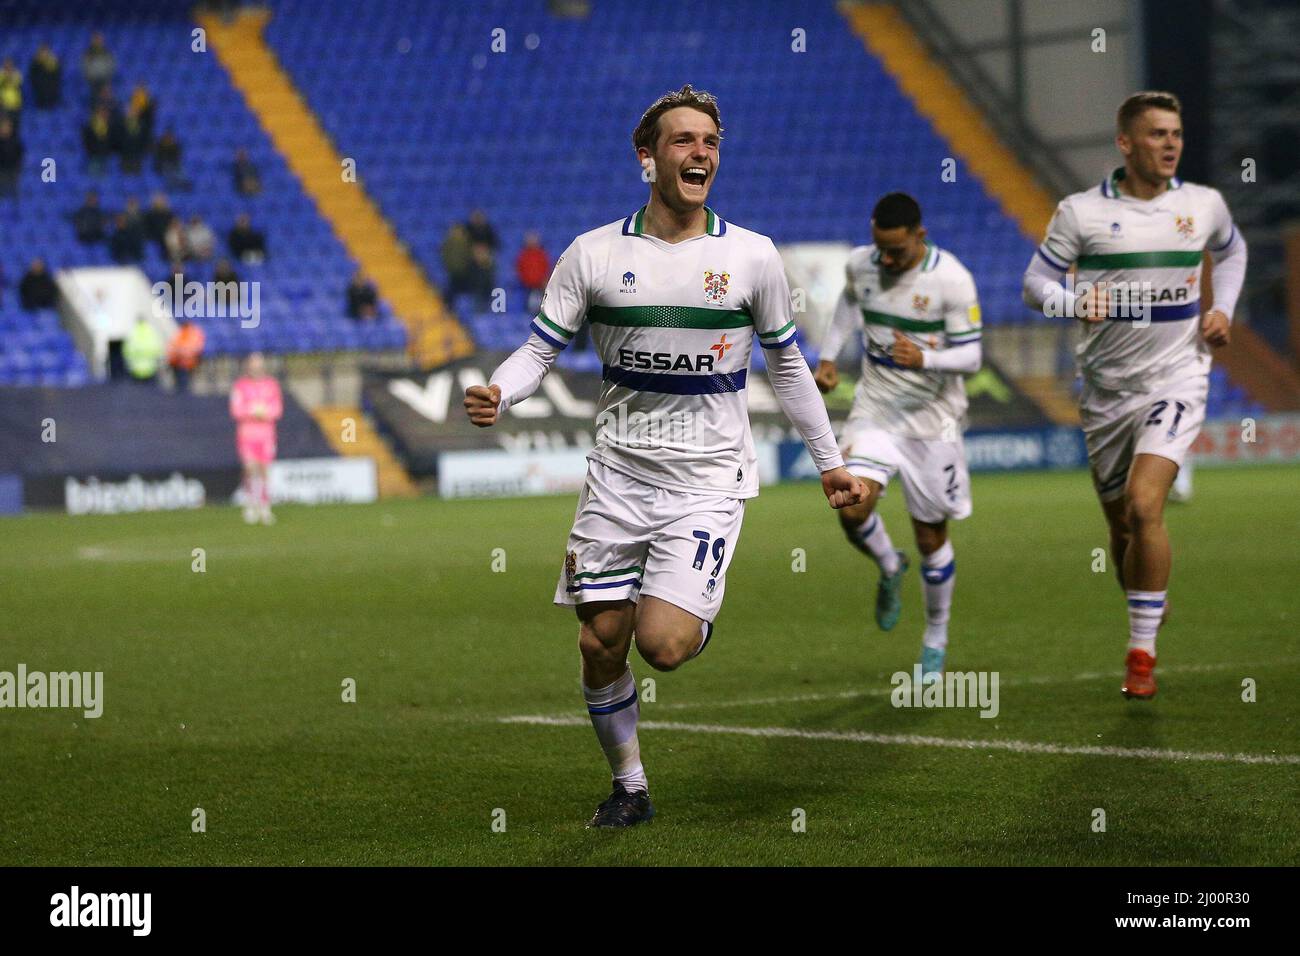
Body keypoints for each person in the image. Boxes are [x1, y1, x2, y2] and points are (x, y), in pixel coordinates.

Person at [463, 85, 865, 828]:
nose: (700, 153)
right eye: (684, 141)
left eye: (710, 142)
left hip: (706, 481)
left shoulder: (752, 256)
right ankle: (631, 787)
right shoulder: (593, 253)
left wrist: (828, 459)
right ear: (647, 158)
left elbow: (787, 367)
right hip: (617, 478)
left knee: (664, 646)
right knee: (599, 641)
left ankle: (689, 592)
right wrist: (500, 391)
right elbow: (538, 351)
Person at [1021, 91, 1247, 700]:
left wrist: (1221, 307)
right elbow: (1035, 283)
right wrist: (1072, 301)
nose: (1171, 143)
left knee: (1147, 508)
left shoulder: (1203, 205)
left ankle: (1141, 654)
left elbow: (1231, 250)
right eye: (1156, 134)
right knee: (1123, 533)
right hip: (1103, 392)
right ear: (1126, 143)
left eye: (1175, 133)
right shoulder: (1081, 213)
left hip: (1177, 377)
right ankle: (1148, 597)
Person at [814, 193, 982, 682]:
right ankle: (890, 565)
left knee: (931, 536)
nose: (886, 260)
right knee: (851, 505)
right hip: (877, 413)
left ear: (919, 236)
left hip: (934, 423)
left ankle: (935, 638)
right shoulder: (860, 265)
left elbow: (971, 356)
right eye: (879, 248)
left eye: (897, 252)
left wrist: (926, 358)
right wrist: (829, 356)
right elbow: (850, 300)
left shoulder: (951, 279)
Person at [230, 352, 283, 525]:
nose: (255, 367)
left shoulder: (271, 385)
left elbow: (277, 410)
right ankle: (251, 504)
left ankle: (265, 506)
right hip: (247, 434)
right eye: (252, 364)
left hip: (266, 435)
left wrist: (265, 413)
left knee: (264, 470)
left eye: (258, 364)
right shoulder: (240, 386)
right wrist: (252, 411)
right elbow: (236, 410)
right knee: (250, 468)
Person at [516, 230, 550, 315]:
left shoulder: (542, 255)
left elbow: (547, 269)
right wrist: (526, 282)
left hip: (540, 286)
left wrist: (542, 282)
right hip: (527, 287)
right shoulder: (522, 255)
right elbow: (519, 270)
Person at [122, 315, 163, 385]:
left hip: (136, 370)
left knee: (138, 393)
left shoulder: (132, 332)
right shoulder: (152, 331)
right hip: (151, 369)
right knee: (151, 393)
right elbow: (158, 349)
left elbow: (126, 351)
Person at [167, 319, 206, 392]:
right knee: (178, 384)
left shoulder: (194, 333)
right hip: (177, 362)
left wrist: (181, 352)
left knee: (184, 385)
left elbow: (195, 348)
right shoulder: (180, 332)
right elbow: (172, 346)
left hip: (188, 363)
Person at [440, 223, 472, 300]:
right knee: (450, 292)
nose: (456, 233)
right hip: (452, 273)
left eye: (458, 231)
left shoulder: (467, 244)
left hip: (465, 273)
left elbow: (469, 257)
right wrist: (450, 267)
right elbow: (445, 257)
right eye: (455, 231)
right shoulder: (447, 244)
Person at [81, 33, 116, 100]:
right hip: (92, 81)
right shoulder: (88, 53)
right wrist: (91, 76)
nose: (98, 41)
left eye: (99, 39)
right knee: (94, 98)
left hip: (104, 80)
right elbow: (85, 66)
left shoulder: (106, 52)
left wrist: (106, 76)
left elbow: (111, 65)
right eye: (96, 39)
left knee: (106, 95)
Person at [82, 105, 113, 174]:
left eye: (106, 113)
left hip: (106, 157)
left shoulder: (110, 127)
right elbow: (87, 141)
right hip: (93, 157)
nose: (104, 115)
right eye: (102, 112)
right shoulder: (90, 126)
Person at [29, 45, 61, 110]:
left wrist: (53, 62)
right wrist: (38, 62)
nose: (44, 55)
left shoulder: (53, 64)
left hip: (53, 96)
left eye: (46, 52)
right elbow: (32, 78)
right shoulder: (35, 65)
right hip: (40, 96)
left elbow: (57, 76)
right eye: (42, 52)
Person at [0, 117, 21, 199]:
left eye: (7, 127)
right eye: (3, 127)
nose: (4, 129)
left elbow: (20, 156)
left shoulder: (15, 142)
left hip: (13, 171)